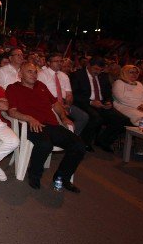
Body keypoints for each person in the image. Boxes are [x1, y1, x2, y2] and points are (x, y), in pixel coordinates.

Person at [6, 62, 86, 192]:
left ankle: (61, 177)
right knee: (45, 145)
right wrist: (29, 118)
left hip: (52, 125)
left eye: (35, 72)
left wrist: (63, 117)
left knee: (79, 146)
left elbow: (55, 104)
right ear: (20, 74)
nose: (33, 75)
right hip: (30, 125)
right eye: (29, 72)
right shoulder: (13, 88)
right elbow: (12, 111)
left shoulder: (41, 86)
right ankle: (34, 175)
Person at [70, 56, 130, 152]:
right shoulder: (77, 75)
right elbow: (74, 94)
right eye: (96, 69)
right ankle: (85, 142)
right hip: (85, 102)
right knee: (96, 117)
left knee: (122, 120)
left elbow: (108, 93)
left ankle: (104, 141)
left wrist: (108, 102)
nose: (97, 72)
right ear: (89, 65)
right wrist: (91, 102)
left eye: (100, 70)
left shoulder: (103, 76)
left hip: (101, 104)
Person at [38, 53, 89, 135]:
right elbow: (42, 95)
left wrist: (67, 105)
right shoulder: (42, 75)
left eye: (60, 61)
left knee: (83, 117)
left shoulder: (64, 75)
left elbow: (69, 94)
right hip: (51, 104)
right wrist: (58, 106)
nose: (59, 63)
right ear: (48, 62)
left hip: (65, 104)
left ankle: (71, 137)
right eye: (56, 61)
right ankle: (68, 138)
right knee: (59, 121)